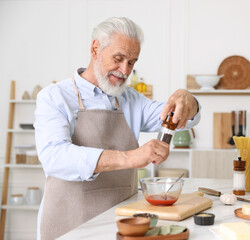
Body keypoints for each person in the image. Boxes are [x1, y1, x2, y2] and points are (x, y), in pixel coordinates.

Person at [34, 17, 200, 240]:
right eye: (118, 58)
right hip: (69, 226)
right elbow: (54, 157)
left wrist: (188, 100)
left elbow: (182, 117)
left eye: (131, 62)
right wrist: (129, 157)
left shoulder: (131, 100)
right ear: (95, 49)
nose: (124, 70)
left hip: (122, 226)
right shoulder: (54, 97)